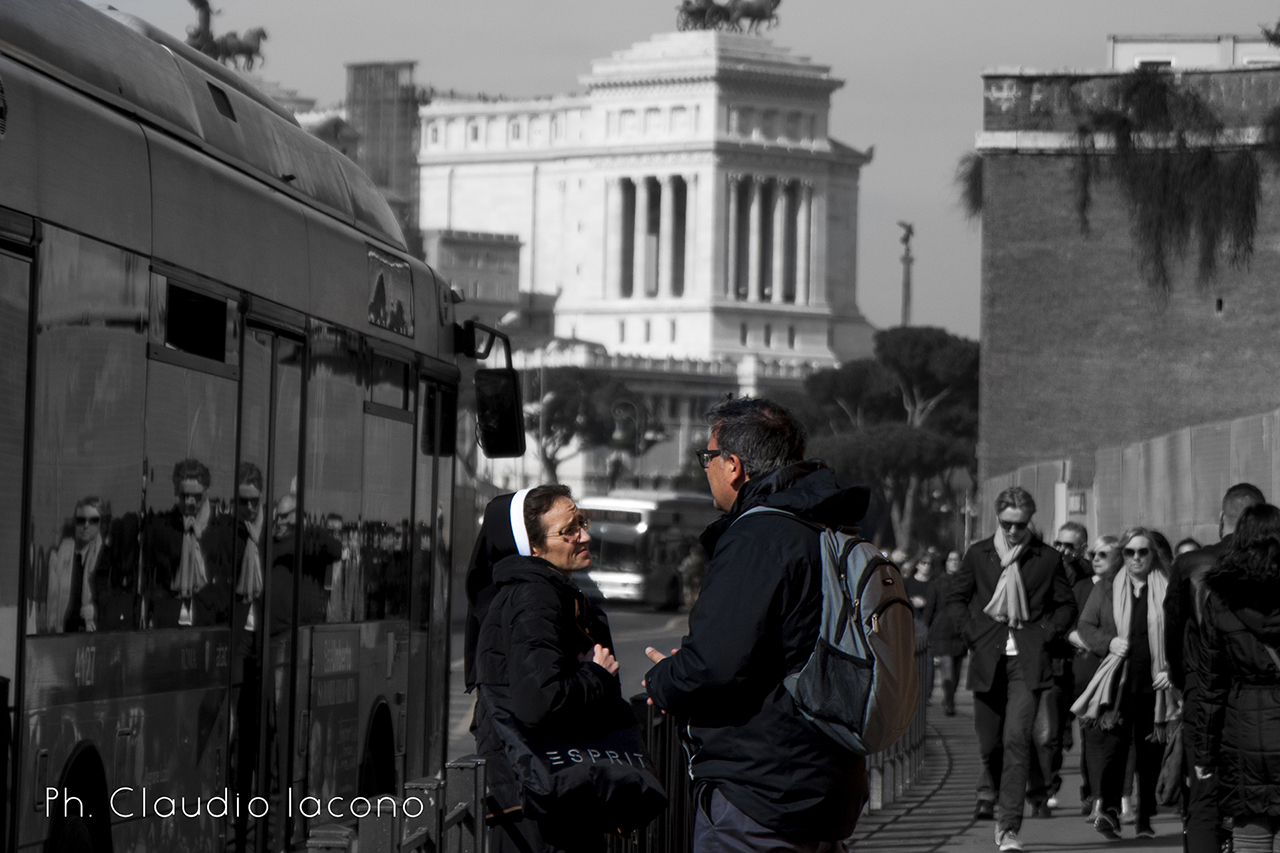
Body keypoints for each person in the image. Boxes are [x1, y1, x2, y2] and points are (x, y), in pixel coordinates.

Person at [644, 397, 870, 853]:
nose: (704, 468)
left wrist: (664, 679)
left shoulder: (759, 536)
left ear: (733, 465)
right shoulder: (823, 525)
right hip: (824, 778)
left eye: (707, 457)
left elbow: (716, 663)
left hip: (762, 793)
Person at [467, 485, 620, 853]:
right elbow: (539, 700)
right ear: (533, 548)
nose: (584, 535)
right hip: (540, 808)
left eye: (581, 522)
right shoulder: (534, 595)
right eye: (568, 530)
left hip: (546, 798)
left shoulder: (549, 589)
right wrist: (595, 676)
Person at [945, 486, 1076, 852]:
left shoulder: (1046, 558)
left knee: (1018, 738)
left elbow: (1066, 606)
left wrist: (1047, 632)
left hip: (1028, 659)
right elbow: (955, 598)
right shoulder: (978, 554)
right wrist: (970, 632)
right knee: (991, 745)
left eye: (1020, 525)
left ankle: (1008, 828)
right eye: (1007, 524)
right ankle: (1028, 783)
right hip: (987, 656)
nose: (1014, 532)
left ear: (1029, 521)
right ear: (998, 519)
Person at [1166, 483, 1265, 853]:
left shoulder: (1191, 564)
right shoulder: (1268, 563)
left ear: (1221, 519)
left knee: (1203, 795)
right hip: (1255, 690)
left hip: (1201, 687)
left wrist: (1182, 682)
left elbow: (1173, 631)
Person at [1073, 527, 1174, 841]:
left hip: (1155, 683)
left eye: (1143, 552)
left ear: (1152, 555)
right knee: (1114, 748)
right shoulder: (1106, 587)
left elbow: (1183, 631)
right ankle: (1111, 811)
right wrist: (1108, 642)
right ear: (1122, 555)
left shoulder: (1168, 587)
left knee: (1149, 752)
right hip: (1118, 683)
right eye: (1130, 552)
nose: (1136, 558)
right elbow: (1085, 626)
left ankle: (1144, 818)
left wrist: (1171, 669)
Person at [1192, 503, 1280, 853]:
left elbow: (1211, 684)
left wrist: (1204, 753)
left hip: (1241, 729)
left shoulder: (1221, 599)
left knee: (1250, 834)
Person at [1027, 522, 1093, 815]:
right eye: (1059, 543)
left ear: (1082, 549)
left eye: (1070, 546)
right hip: (1053, 661)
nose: (1063, 550)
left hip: (1083, 664)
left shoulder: (1091, 579)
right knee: (1048, 734)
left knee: (1088, 732)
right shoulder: (1046, 573)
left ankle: (1091, 793)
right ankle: (1046, 789)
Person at [142, 458, 233, 628]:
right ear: (176, 491)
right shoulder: (162, 529)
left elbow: (227, 577)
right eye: (185, 496)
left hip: (209, 620)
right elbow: (151, 577)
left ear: (206, 492)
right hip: (170, 621)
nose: (190, 502)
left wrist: (215, 606)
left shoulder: (221, 530)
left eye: (196, 496)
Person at [1069, 534, 1118, 818]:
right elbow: (1069, 622)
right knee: (1092, 736)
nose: (1095, 560)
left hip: (1119, 668)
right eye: (1092, 556)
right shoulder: (1081, 588)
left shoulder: (1124, 587)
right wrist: (1081, 638)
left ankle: (1113, 798)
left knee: (1116, 735)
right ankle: (1093, 792)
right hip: (1089, 668)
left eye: (1102, 555)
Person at [931, 550, 968, 716]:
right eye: (951, 559)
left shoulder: (966, 583)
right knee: (947, 670)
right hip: (943, 633)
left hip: (960, 633)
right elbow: (930, 611)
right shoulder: (937, 583)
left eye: (957, 559)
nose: (954, 562)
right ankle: (949, 702)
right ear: (946, 562)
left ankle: (949, 698)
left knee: (957, 673)